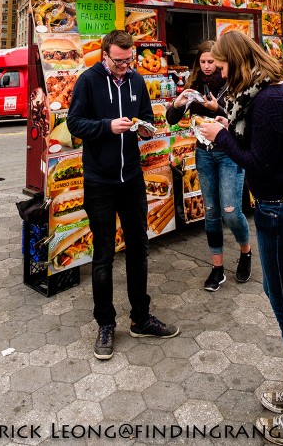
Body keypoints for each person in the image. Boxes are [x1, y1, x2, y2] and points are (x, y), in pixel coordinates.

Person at [199, 31, 283, 446]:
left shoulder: (270, 99)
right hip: (280, 209)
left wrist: (221, 138)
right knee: (280, 299)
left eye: (223, 65)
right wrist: (227, 127)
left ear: (237, 61)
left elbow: (259, 163)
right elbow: (259, 144)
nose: (220, 72)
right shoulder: (268, 88)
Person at [67, 30, 179, 361]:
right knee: (103, 255)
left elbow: (147, 118)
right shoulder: (88, 81)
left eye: (129, 61)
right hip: (99, 180)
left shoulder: (136, 81)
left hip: (131, 177)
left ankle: (141, 318)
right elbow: (74, 123)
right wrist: (105, 126)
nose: (125, 67)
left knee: (138, 250)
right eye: (119, 61)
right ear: (105, 56)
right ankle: (105, 324)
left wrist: (145, 128)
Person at [166, 40, 251, 291]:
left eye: (211, 62)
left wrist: (218, 107)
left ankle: (245, 252)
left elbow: (243, 118)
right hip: (203, 154)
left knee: (231, 211)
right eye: (202, 62)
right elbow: (172, 120)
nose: (206, 66)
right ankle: (217, 268)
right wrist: (179, 104)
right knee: (211, 211)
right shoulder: (194, 86)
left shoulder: (232, 84)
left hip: (229, 153)